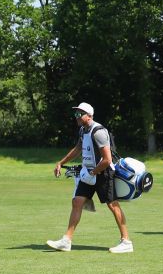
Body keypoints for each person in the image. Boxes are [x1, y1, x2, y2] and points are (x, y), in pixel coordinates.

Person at [46, 103, 133, 253]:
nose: (77, 117)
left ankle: (126, 241)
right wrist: (61, 162)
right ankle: (66, 240)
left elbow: (107, 159)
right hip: (89, 173)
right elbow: (78, 149)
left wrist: (92, 173)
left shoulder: (98, 132)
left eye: (80, 114)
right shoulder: (82, 130)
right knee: (77, 201)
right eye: (76, 114)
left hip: (103, 173)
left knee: (112, 205)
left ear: (89, 116)